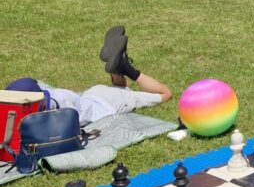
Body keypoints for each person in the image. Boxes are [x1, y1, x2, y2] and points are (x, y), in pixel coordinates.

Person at [6, 26, 172, 128]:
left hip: (105, 104)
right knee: (122, 90)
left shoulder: (51, 116)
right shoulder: (54, 98)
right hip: (93, 95)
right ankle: (119, 65)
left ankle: (126, 68)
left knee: (165, 94)